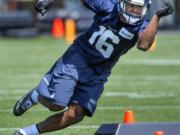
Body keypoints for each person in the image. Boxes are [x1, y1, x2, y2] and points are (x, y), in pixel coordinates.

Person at [13, 0, 173, 134]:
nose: (133, 10)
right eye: (130, 5)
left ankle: (26, 133)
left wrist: (156, 17)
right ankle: (35, 96)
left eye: (138, 8)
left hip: (100, 71)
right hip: (78, 58)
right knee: (56, 104)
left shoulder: (143, 25)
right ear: (122, 3)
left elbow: (144, 45)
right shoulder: (107, 6)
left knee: (76, 114)